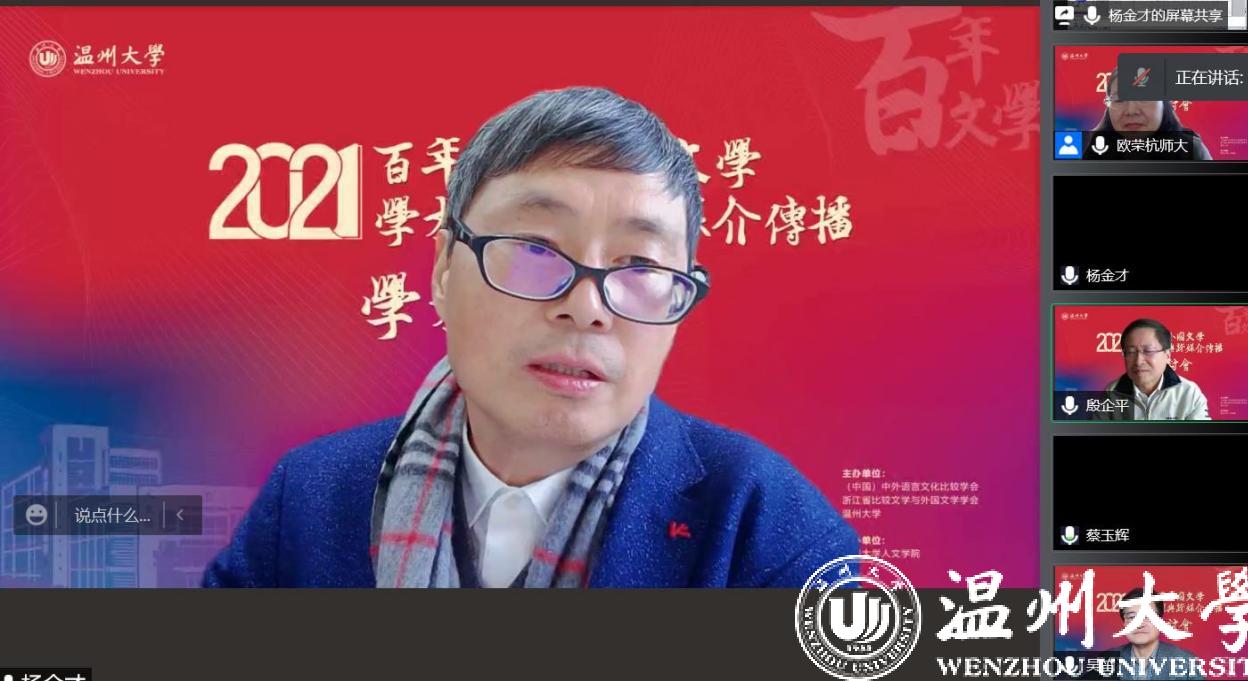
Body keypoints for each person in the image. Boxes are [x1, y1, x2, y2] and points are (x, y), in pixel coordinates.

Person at [202, 86, 859, 588]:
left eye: (638, 266)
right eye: (537, 249)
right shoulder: (310, 496)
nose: (586, 308)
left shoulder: (764, 526)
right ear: (444, 269)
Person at [1084, 68, 1213, 160]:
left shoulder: (1191, 150)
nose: (1131, 111)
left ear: (1164, 103)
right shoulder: (1089, 147)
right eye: (1119, 100)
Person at [1103, 319, 1209, 421]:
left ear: (1167, 355)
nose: (1138, 361)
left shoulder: (1188, 393)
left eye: (1148, 351)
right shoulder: (1111, 393)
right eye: (1131, 352)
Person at [1113, 588, 1203, 680]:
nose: (1139, 624)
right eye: (1132, 617)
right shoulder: (1107, 660)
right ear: (1124, 623)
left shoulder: (1186, 661)